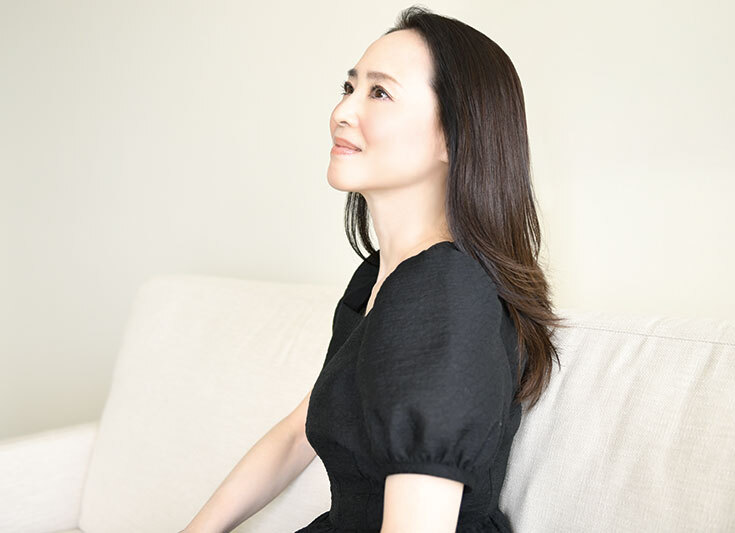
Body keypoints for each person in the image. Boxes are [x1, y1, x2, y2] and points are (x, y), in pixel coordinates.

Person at [180, 6, 566, 533]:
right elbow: (295, 435)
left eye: (379, 92)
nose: (342, 110)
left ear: (453, 136)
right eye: (349, 87)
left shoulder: (444, 293)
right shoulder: (379, 280)